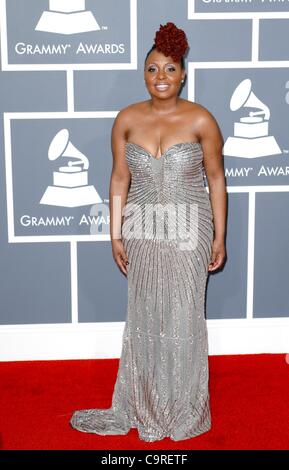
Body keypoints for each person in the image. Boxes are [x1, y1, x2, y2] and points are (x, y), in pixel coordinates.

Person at [70, 22, 227, 442]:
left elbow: (216, 178)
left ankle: (182, 405)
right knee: (144, 312)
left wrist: (219, 236)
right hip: (141, 228)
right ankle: (144, 400)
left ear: (183, 74)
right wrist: (115, 232)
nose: (162, 77)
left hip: (189, 230)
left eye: (170, 69)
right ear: (144, 73)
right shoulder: (126, 119)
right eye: (154, 69)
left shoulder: (201, 119)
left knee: (184, 314)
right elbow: (119, 178)